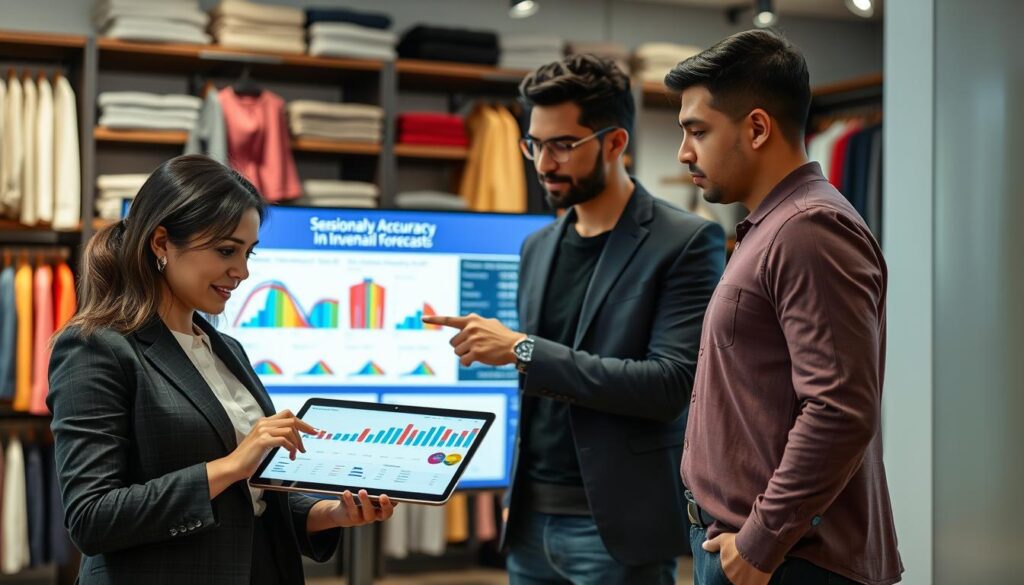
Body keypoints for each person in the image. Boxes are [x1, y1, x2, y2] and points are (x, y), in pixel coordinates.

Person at [424, 54, 725, 585]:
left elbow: (669, 385)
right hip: (530, 521)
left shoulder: (685, 242)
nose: (543, 163)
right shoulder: (537, 248)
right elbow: (543, 393)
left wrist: (522, 349)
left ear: (614, 143)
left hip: (616, 527)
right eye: (534, 145)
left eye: (562, 145)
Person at [47, 154, 395, 584]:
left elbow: (253, 500)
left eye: (249, 253)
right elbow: (92, 518)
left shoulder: (226, 349)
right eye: (226, 250)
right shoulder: (95, 348)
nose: (242, 271)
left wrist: (331, 513)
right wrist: (231, 465)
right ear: (161, 243)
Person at [668, 30, 903, 585]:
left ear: (756, 127)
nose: (683, 152)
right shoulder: (772, 227)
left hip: (788, 561)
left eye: (697, 131)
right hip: (752, 548)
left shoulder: (809, 230)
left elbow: (840, 408)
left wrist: (761, 543)